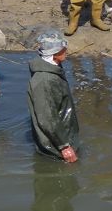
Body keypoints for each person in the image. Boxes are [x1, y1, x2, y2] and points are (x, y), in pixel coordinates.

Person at [27, 31, 80, 163]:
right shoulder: (44, 81)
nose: (66, 50)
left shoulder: (53, 68)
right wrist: (64, 146)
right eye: (63, 49)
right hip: (54, 147)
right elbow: (47, 118)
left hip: (61, 134)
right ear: (55, 54)